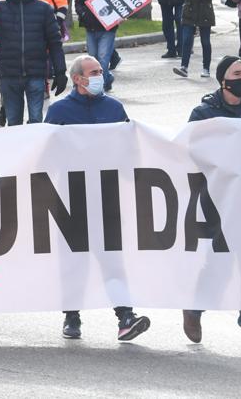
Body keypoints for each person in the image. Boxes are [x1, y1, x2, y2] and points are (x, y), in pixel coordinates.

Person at [44, 55, 152, 342]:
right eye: (93, 72)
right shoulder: (59, 111)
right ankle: (72, 316)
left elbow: (131, 148)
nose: (99, 76)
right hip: (71, 196)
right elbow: (46, 154)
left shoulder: (114, 108)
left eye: (101, 71)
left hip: (107, 194)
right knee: (74, 260)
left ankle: (125, 316)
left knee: (112, 259)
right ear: (78, 79)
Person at [183, 56, 241, 352]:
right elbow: (189, 150)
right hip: (216, 200)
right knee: (219, 264)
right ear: (223, 79)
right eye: (237, 72)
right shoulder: (203, 113)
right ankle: (195, 308)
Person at [173, 0, 219, 78]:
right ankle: (184, 66)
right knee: (186, 39)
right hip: (190, 9)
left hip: (205, 10)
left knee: (205, 41)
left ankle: (206, 68)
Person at [75, 0, 119, 90]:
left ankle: (99, 87)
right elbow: (79, 2)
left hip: (107, 29)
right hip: (91, 28)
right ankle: (108, 78)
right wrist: (83, 14)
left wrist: (120, 17)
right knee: (93, 58)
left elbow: (121, 7)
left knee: (103, 58)